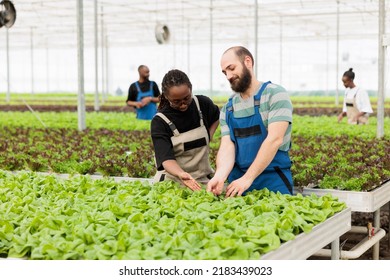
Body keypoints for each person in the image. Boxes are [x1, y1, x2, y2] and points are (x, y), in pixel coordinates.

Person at [207, 46, 293, 197]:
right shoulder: (228, 108)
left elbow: (274, 139)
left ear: (248, 62)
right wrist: (220, 175)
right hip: (238, 183)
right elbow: (228, 146)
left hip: (273, 180)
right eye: (224, 72)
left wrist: (248, 178)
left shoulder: (275, 94)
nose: (228, 76)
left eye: (231, 68)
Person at [151, 69, 220, 191]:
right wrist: (181, 174)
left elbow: (216, 116)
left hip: (201, 178)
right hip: (172, 181)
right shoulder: (160, 121)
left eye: (186, 98)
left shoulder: (203, 104)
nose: (183, 104)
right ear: (166, 97)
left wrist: (210, 135)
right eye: (176, 101)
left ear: (191, 89)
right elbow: (166, 159)